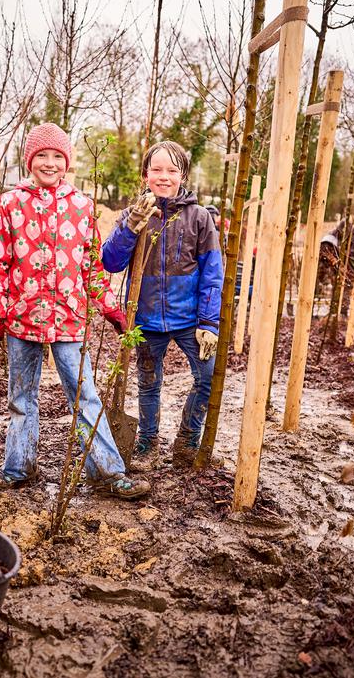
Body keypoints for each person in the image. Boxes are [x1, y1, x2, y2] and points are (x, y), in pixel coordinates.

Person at [0, 122, 150, 499]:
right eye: (42, 155)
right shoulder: (10, 203)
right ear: (29, 160)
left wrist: (108, 306)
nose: (50, 162)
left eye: (58, 156)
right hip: (22, 316)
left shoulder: (82, 206)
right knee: (21, 397)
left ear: (67, 161)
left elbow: (91, 264)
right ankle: (18, 467)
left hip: (69, 318)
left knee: (84, 393)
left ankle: (108, 471)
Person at [102, 140, 223, 470]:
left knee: (207, 378)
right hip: (146, 318)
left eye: (172, 170)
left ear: (183, 175)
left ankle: (187, 440)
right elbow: (110, 262)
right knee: (148, 384)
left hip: (189, 320)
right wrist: (131, 227)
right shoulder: (135, 215)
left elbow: (213, 273)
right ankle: (148, 442)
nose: (164, 176)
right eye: (156, 169)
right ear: (145, 175)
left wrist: (209, 323)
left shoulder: (199, 218)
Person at [317, 219, 354, 314]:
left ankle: (343, 310)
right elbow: (324, 251)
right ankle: (333, 310)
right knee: (333, 285)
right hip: (333, 263)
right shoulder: (332, 236)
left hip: (347, 263)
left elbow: (352, 258)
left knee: (347, 284)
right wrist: (333, 261)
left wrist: (346, 271)